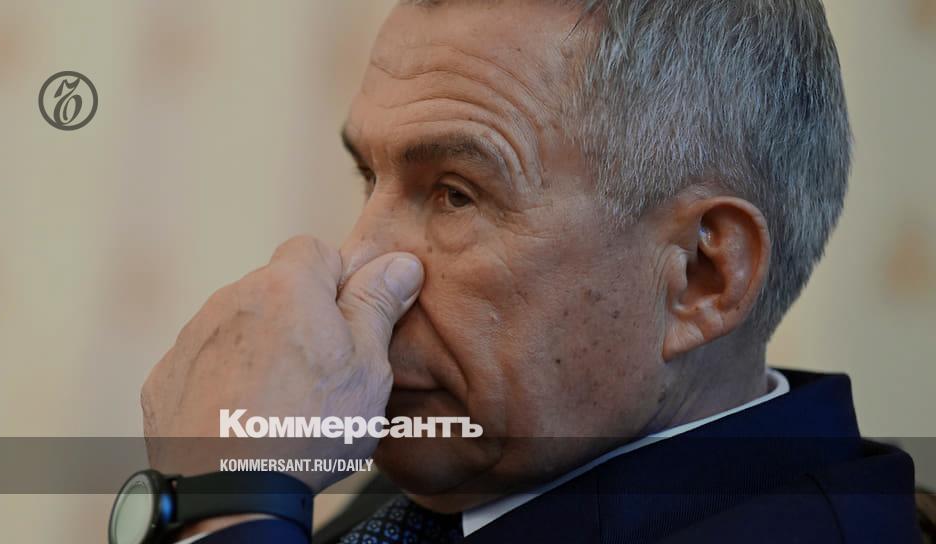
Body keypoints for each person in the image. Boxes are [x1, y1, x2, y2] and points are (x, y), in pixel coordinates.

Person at [127, 1, 923, 542]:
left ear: (700, 276)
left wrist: (227, 501)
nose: (357, 263)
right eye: (369, 178)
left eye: (456, 194)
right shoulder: (453, 475)